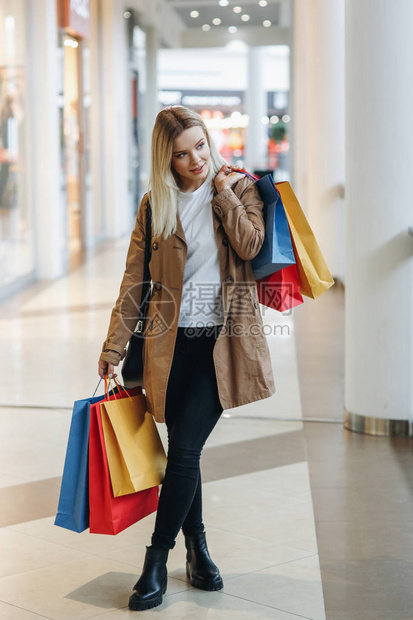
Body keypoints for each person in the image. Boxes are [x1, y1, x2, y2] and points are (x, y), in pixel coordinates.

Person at [98, 105, 275, 611]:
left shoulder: (238, 188)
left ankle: (156, 560)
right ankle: (198, 550)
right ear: (166, 159)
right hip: (167, 346)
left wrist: (221, 193)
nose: (195, 159)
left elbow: (251, 242)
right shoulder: (156, 204)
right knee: (182, 450)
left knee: (185, 451)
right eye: (182, 154)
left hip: (221, 344)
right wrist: (113, 347)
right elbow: (135, 281)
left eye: (200, 146)